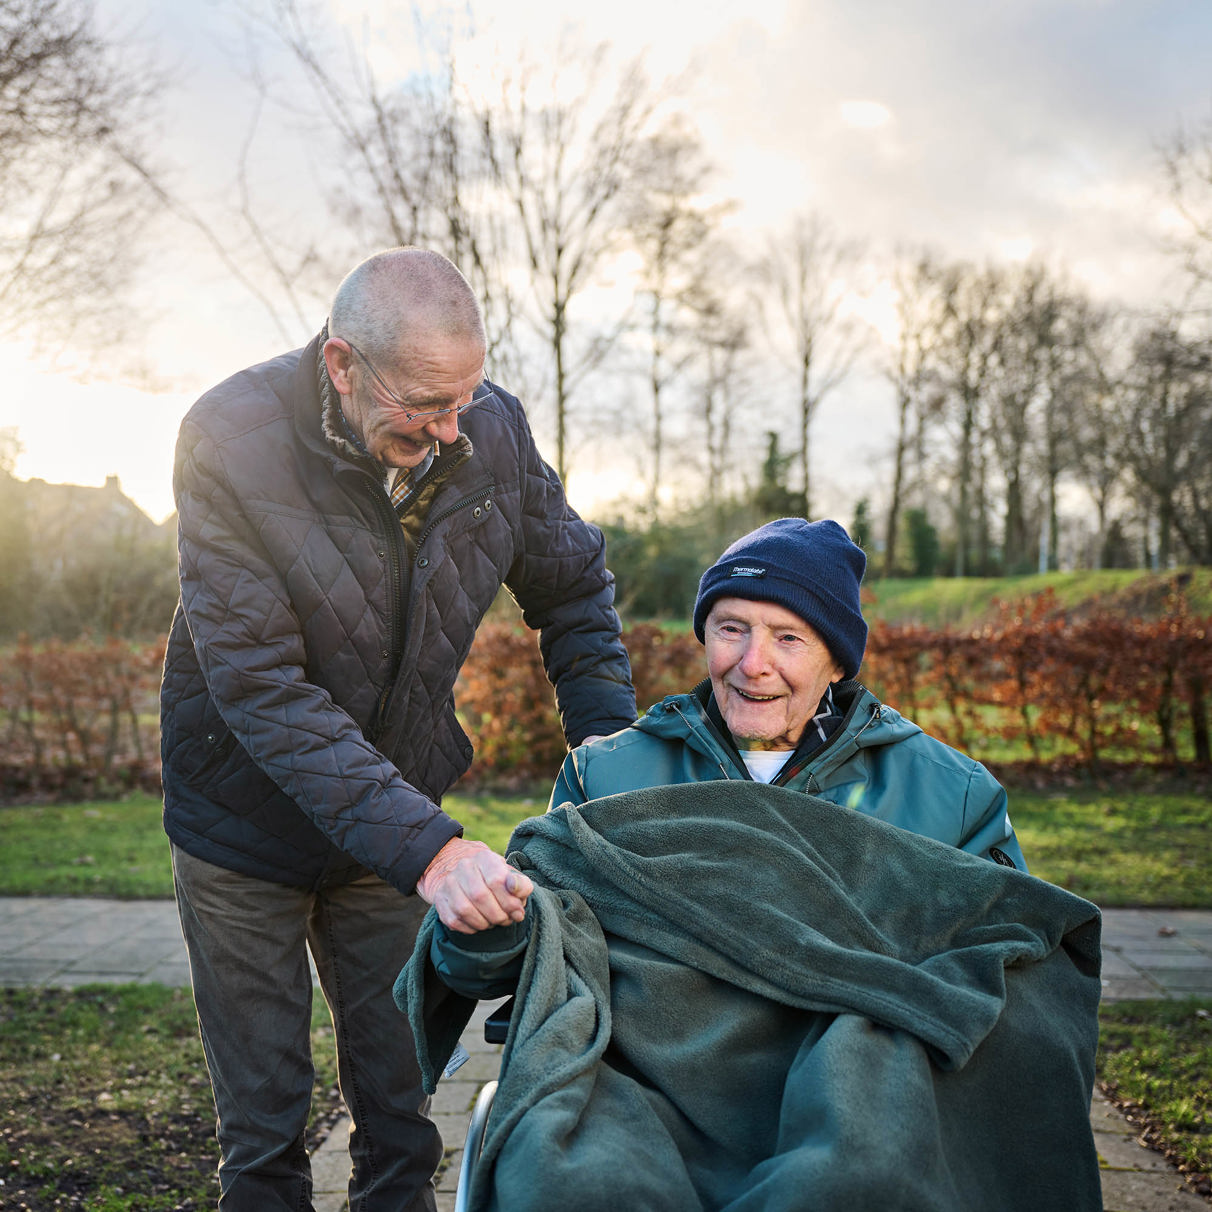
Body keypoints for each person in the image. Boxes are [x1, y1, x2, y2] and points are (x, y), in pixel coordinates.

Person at [401, 519, 1102, 1212]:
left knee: (860, 1185)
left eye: (788, 637)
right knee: (568, 1186)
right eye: (731, 628)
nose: (752, 662)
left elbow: (1011, 962)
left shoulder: (952, 794)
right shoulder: (609, 775)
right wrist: (488, 923)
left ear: (837, 659)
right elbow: (521, 964)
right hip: (640, 1084)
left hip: (853, 1080)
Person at [159, 246, 636, 1211]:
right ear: (343, 364)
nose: (452, 428)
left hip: (390, 820)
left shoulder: (490, 431)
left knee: (402, 1115)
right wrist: (433, 851)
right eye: (424, 402)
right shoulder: (228, 440)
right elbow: (263, 690)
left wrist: (607, 761)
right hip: (241, 825)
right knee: (264, 1132)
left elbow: (575, 591)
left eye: (466, 396)